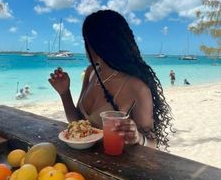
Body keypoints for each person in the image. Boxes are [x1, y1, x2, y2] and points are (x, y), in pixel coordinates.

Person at [49, 10, 174, 149]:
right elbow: (77, 123)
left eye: (86, 41)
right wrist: (64, 93)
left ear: (98, 44)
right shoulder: (92, 72)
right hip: (85, 164)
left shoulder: (137, 87)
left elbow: (153, 143)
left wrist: (138, 138)